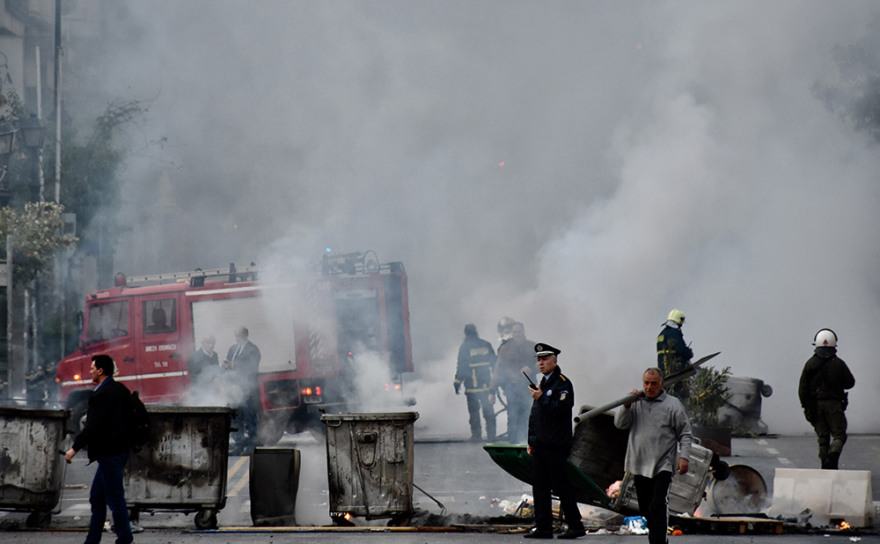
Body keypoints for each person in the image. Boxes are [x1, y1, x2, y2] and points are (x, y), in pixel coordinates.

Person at [614, 368, 692, 544]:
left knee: (657, 504)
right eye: (646, 383)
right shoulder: (635, 402)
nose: (649, 387)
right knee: (646, 507)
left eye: (653, 383)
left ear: (661, 384)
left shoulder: (672, 405)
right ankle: (656, 536)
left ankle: (659, 541)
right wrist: (626, 405)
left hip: (663, 463)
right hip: (639, 464)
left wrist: (684, 457)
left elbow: (685, 433)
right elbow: (620, 424)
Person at [64, 354, 135, 544]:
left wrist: (74, 449)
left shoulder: (101, 395)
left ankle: (125, 537)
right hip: (118, 452)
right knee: (97, 497)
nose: (90, 371)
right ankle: (92, 539)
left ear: (101, 371)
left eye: (93, 368)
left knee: (115, 499)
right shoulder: (121, 390)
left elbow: (92, 426)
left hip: (110, 454)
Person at [524, 342, 585, 540]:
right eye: (539, 360)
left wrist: (542, 397)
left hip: (556, 445)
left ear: (555, 360)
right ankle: (544, 527)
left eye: (545, 359)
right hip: (541, 445)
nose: (541, 363)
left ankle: (575, 525)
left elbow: (559, 410)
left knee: (561, 487)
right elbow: (536, 416)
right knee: (539, 488)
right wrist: (531, 440)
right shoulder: (543, 383)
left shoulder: (562, 383)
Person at [798, 328, 855, 470]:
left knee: (823, 438)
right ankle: (832, 457)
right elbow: (850, 383)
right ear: (834, 345)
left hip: (815, 406)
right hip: (834, 405)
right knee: (839, 435)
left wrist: (806, 407)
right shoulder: (839, 364)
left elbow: (802, 389)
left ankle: (825, 466)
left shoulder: (810, 364)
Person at [488, 321, 534, 443]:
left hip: (529, 388)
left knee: (528, 415)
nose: (517, 334)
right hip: (512, 388)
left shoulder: (532, 347)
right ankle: (514, 443)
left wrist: (531, 368)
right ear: (512, 333)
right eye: (514, 332)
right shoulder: (505, 349)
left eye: (519, 331)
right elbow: (498, 371)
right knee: (513, 416)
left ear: (523, 332)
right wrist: (492, 391)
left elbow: (546, 364)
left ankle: (527, 443)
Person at [453, 324, 497, 442]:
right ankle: (491, 436)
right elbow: (495, 364)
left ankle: (476, 436)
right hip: (487, 384)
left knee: (474, 413)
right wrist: (496, 382)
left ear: (466, 334)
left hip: (472, 386)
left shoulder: (465, 347)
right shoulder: (486, 345)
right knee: (488, 411)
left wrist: (457, 383)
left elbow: (461, 367)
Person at [224, 326, 262, 454]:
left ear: (245, 335)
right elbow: (228, 364)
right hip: (235, 389)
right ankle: (238, 444)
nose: (236, 338)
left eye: (238, 336)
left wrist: (233, 365)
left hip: (248, 389)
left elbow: (251, 367)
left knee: (250, 417)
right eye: (235, 336)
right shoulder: (233, 349)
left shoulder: (253, 349)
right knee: (237, 418)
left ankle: (252, 445)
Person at [657, 308, 693, 398]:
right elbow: (682, 350)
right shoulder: (674, 333)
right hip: (677, 373)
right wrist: (690, 353)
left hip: (664, 374)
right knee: (680, 397)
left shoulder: (661, 334)